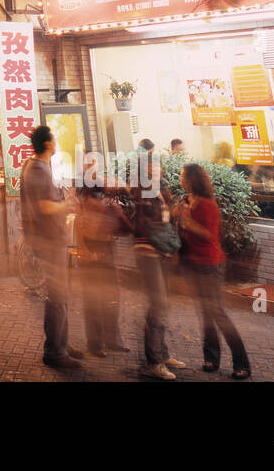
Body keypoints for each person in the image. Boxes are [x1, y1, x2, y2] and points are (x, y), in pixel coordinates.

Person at [177, 162, 251, 380]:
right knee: (206, 314)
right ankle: (211, 358)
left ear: (192, 179)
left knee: (217, 313)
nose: (181, 179)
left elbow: (208, 234)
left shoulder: (207, 205)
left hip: (210, 264)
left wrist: (186, 220)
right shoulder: (188, 201)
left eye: (183, 176)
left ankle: (242, 362)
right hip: (195, 263)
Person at [22, 125, 84, 369]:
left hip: (51, 239)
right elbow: (45, 207)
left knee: (61, 294)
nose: (56, 142)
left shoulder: (38, 166)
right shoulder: (37, 169)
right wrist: (66, 206)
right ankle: (54, 351)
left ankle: (62, 344)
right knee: (57, 296)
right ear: (48, 144)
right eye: (54, 139)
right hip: (48, 241)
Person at [130, 181, 183, 380]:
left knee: (162, 305)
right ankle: (154, 361)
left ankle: (162, 354)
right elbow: (148, 225)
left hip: (162, 254)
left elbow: (165, 222)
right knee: (157, 305)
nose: (155, 168)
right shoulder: (145, 195)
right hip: (149, 254)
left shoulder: (162, 193)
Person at [76, 184, 130, 357]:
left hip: (107, 252)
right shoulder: (83, 210)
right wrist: (86, 251)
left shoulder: (106, 206)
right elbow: (79, 232)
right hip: (90, 255)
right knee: (93, 301)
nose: (99, 201)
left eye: (101, 197)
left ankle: (112, 340)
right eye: (96, 197)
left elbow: (119, 229)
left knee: (112, 297)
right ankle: (95, 344)